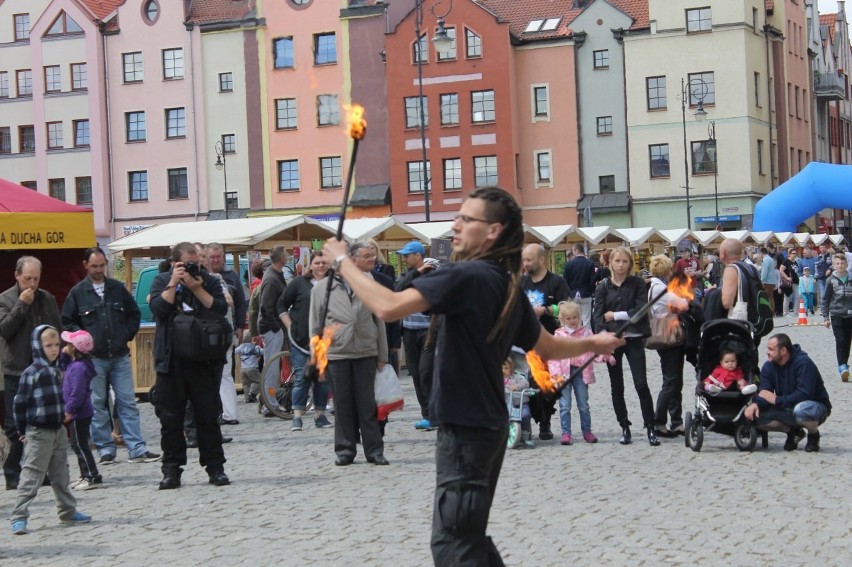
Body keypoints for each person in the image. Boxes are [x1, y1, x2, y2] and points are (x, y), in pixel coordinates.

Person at [322, 186, 622, 565]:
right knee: (466, 536)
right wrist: (593, 342)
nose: (456, 225)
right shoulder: (506, 284)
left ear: (493, 231)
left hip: (467, 427)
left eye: (467, 219)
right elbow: (547, 347)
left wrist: (342, 261)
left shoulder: (468, 276)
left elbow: (388, 306)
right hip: (484, 425)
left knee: (454, 543)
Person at [61, 248, 159, 465]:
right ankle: (105, 448)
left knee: (127, 401)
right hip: (93, 358)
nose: (98, 270)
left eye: (101, 266)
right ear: (85, 264)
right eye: (94, 266)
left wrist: (126, 334)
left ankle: (137, 447)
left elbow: (134, 314)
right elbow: (67, 321)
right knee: (97, 403)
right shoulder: (77, 293)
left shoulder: (116, 288)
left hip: (119, 354)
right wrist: (81, 340)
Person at [149, 242, 230, 489]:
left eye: (197, 262)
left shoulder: (210, 281)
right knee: (170, 420)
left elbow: (220, 309)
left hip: (203, 360)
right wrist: (174, 281)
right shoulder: (162, 280)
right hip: (171, 359)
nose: (194, 266)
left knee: (207, 417)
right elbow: (158, 309)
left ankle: (215, 468)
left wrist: (196, 288)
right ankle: (172, 471)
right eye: (188, 263)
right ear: (175, 263)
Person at [310, 241, 388, 466]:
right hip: (337, 353)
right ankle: (345, 450)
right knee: (342, 404)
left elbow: (379, 320)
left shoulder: (368, 283)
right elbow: (315, 325)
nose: (372, 260)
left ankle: (374, 450)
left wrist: (382, 354)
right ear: (351, 260)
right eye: (367, 256)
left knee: (368, 404)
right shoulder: (322, 288)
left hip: (365, 350)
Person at [10, 325, 91, 535]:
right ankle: (19, 516)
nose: (54, 349)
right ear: (38, 346)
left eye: (56, 345)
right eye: (48, 345)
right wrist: (21, 429)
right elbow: (19, 403)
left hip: (58, 430)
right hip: (38, 432)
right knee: (32, 475)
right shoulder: (32, 372)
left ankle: (67, 511)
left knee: (61, 473)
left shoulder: (56, 371)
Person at [1, 256, 62, 490]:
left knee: (41, 422)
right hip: (16, 369)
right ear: (17, 276)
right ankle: (13, 473)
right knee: (15, 423)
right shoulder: (5, 299)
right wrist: (21, 304)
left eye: (36, 278)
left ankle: (38, 470)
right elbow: (5, 330)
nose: (32, 284)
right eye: (27, 278)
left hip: (43, 371)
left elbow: (56, 329)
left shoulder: (47, 298)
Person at [594, 246, 659, 447]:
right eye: (617, 261)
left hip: (633, 338)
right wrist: (604, 333)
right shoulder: (603, 286)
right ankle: (624, 425)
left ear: (630, 263)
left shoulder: (638, 283)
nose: (621, 265)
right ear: (610, 263)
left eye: (624, 261)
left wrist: (616, 315)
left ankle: (650, 426)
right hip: (613, 340)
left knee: (641, 383)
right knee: (617, 386)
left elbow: (640, 310)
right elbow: (597, 316)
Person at [744, 334, 831, 452]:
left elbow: (804, 394)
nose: (767, 352)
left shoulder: (803, 363)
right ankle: (793, 432)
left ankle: (813, 434)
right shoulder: (768, 367)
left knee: (801, 409)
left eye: (771, 349)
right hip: (787, 407)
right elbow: (765, 393)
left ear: (783, 350)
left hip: (814, 406)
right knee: (755, 416)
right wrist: (755, 404)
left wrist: (777, 400)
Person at [277, 250, 332, 431]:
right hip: (301, 338)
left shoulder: (334, 283)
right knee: (302, 377)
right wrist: (289, 324)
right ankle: (297, 416)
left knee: (322, 378)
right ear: (311, 265)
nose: (321, 266)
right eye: (317, 263)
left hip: (325, 339)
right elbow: (281, 303)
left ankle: (320, 414)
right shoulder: (299, 283)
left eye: (324, 262)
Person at [521, 243, 569, 440]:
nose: (525, 264)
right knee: (528, 383)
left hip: (551, 340)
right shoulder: (521, 283)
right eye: (524, 260)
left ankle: (545, 422)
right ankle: (531, 419)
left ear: (541, 260)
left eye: (529, 260)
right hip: (527, 342)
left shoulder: (556, 282)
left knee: (545, 383)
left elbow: (567, 307)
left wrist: (547, 310)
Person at [547, 300, 608, 445]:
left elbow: (594, 350)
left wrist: (605, 356)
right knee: (565, 405)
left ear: (579, 317)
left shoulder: (586, 333)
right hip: (564, 374)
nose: (572, 321)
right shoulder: (558, 335)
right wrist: (556, 375)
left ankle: (587, 431)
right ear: (562, 319)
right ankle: (566, 433)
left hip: (581, 372)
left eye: (575, 317)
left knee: (583, 404)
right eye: (568, 318)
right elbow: (553, 358)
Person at [394, 241, 437, 430]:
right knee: (416, 374)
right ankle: (426, 415)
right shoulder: (408, 274)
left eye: (407, 255)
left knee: (427, 372)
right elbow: (397, 291)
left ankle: (436, 413)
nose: (404, 258)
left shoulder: (433, 272)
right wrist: (416, 273)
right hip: (409, 330)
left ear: (418, 256)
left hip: (429, 330)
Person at [647, 254, 690, 438]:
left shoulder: (654, 287)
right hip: (668, 336)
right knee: (671, 381)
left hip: (665, 336)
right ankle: (659, 420)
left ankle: (676, 420)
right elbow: (683, 304)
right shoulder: (660, 289)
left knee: (674, 380)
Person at [207, 243, 247, 425]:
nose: (216, 260)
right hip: (205, 332)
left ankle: (229, 413)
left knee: (225, 372)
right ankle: (217, 411)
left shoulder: (231, 277)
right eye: (212, 257)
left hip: (226, 330)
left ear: (223, 257)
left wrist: (240, 326)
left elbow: (239, 303)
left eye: (218, 257)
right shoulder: (202, 277)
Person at [59, 330, 102, 490]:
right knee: (77, 444)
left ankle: (92, 475)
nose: (65, 346)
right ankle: (85, 474)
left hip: (80, 412)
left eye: (68, 344)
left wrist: (69, 409)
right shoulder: (75, 364)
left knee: (80, 444)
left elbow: (77, 392)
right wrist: (64, 355)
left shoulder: (79, 368)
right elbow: (63, 366)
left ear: (75, 348)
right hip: (79, 411)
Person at [258, 245, 289, 416]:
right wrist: (276, 327)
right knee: (272, 366)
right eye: (286, 254)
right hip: (271, 328)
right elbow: (265, 307)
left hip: (275, 326)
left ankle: (269, 400)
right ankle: (269, 402)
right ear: (281, 257)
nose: (288, 256)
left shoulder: (276, 274)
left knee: (273, 366)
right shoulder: (271, 278)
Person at [820, 253, 852, 382]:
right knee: (841, 340)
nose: (840, 266)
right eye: (837, 263)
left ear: (846, 265)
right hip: (836, 314)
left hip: (850, 314)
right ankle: (842, 366)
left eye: (842, 263)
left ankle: (844, 365)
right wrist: (825, 318)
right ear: (834, 265)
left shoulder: (851, 278)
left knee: (848, 341)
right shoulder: (830, 280)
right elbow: (825, 300)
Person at [562, 243, 597, 328]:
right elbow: (592, 280)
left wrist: (568, 293)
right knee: (586, 320)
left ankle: (575, 338)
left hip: (573, 294)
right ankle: (587, 338)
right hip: (586, 294)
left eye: (573, 250)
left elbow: (565, 280)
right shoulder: (590, 264)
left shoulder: (569, 264)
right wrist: (591, 291)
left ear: (576, 250)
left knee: (575, 319)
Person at [503, 358, 533, 448]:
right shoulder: (497, 378)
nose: (504, 370)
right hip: (506, 404)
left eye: (506, 368)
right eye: (502, 368)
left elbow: (525, 383)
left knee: (526, 414)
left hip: (520, 403)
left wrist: (516, 387)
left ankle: (525, 437)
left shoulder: (517, 377)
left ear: (511, 369)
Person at [235, 331, 262, 404]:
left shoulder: (241, 347)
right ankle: (252, 394)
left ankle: (247, 398)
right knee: (258, 381)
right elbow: (263, 352)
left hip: (243, 369)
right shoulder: (255, 347)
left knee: (246, 384)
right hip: (252, 368)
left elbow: (234, 351)